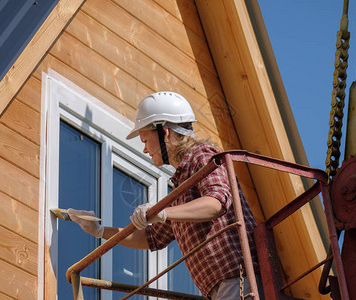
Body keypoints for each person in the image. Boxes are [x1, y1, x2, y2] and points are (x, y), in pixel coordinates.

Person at [69, 91, 263, 299]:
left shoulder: (203, 155)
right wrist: (99, 231)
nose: (144, 150)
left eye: (145, 140)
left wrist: (163, 212)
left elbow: (216, 202)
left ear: (165, 133)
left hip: (237, 279)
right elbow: (151, 238)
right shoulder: (181, 186)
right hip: (221, 287)